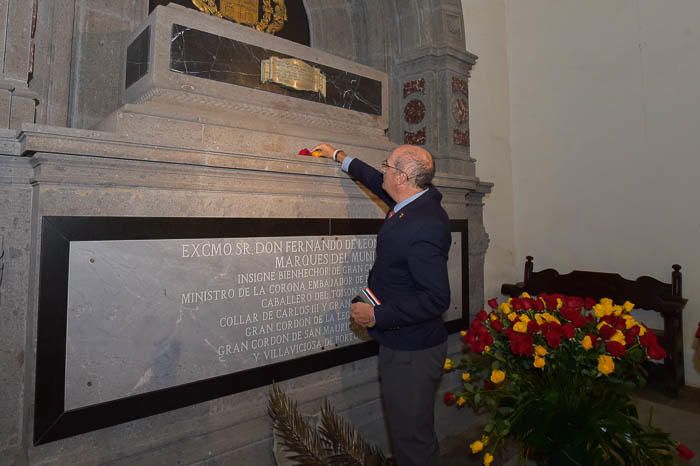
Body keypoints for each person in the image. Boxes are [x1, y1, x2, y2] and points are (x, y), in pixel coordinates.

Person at [311, 143, 451, 466]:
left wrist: (377, 314)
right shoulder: (412, 199)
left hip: (412, 353)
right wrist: (339, 157)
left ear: (402, 177)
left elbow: (437, 298)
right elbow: (376, 180)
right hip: (403, 346)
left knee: (412, 442)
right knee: (409, 437)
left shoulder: (425, 224)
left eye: (387, 164)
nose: (383, 168)